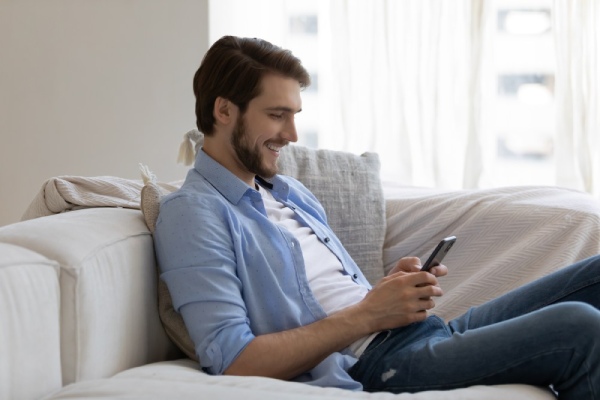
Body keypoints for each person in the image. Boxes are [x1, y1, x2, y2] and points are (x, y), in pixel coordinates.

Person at [154, 35, 600, 397]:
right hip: (379, 364)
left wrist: (387, 295)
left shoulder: (291, 193)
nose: (291, 135)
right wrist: (370, 314)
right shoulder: (194, 214)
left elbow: (336, 297)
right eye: (277, 115)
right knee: (577, 327)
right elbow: (233, 359)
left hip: (416, 333)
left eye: (294, 116)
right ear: (224, 109)